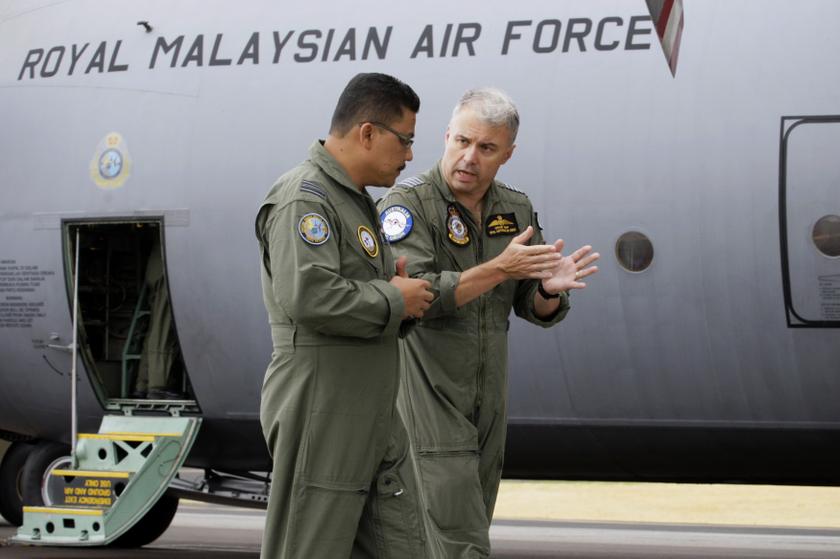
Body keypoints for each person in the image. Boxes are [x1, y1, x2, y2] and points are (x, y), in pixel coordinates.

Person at [376, 87, 600, 558]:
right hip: (429, 393)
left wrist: (546, 291)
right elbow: (418, 297)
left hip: (488, 399)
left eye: (486, 148)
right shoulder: (409, 206)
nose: (469, 157)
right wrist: (501, 268)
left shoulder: (513, 210)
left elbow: (528, 305)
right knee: (461, 541)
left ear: (507, 154)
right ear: (447, 136)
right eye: (461, 141)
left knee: (458, 527)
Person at [255, 73, 434, 559]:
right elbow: (309, 296)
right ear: (368, 132)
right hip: (323, 404)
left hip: (367, 404)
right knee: (310, 545)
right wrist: (394, 298)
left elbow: (359, 296)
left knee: (402, 542)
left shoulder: (354, 202)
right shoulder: (304, 198)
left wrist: (402, 297)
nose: (411, 156)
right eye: (407, 140)